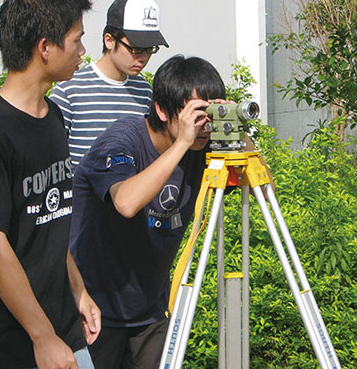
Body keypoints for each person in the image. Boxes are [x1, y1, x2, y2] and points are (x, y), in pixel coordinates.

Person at [0, 0, 101, 369]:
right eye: (77, 39)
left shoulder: (54, 118)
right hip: (9, 344)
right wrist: (42, 336)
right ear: (46, 47)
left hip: (60, 328)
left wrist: (78, 291)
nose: (84, 50)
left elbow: (52, 220)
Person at [69, 55, 239, 368]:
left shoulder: (203, 148)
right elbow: (126, 203)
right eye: (195, 113)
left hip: (150, 312)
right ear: (161, 109)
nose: (204, 125)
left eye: (210, 113)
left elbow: (260, 186)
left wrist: (234, 130)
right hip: (93, 309)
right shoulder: (121, 141)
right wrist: (182, 145)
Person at [50, 0, 169, 171]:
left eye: (150, 49)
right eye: (136, 49)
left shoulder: (145, 92)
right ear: (109, 40)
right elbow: (51, 156)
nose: (143, 58)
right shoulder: (70, 89)